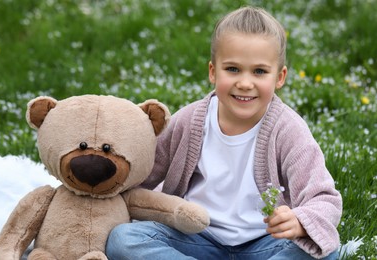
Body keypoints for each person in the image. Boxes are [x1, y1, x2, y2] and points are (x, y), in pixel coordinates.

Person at [106, 6, 342, 259]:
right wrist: (102, 185)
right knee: (123, 239)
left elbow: (323, 197)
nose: (245, 82)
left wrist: (299, 220)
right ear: (212, 71)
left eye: (260, 71)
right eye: (232, 69)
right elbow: (143, 172)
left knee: (324, 250)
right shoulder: (190, 121)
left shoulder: (288, 130)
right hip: (197, 236)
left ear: (280, 77)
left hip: (265, 243)